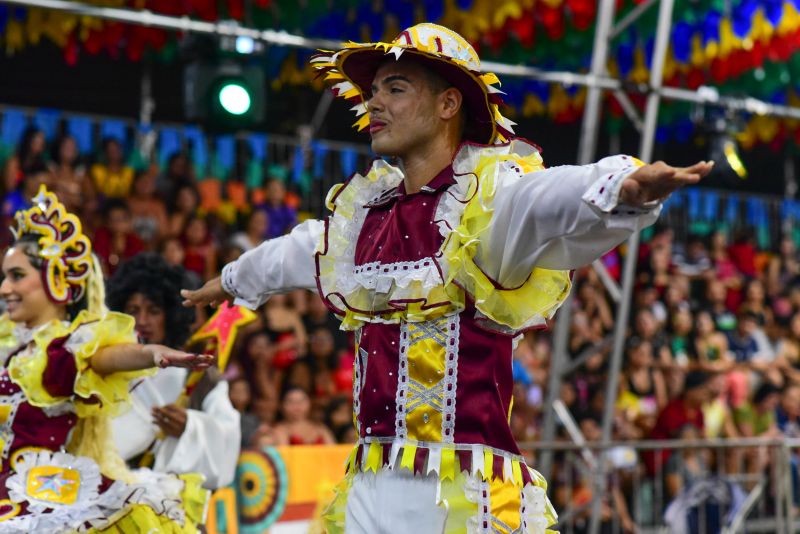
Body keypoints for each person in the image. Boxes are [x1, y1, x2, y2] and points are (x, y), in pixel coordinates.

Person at [182, 23, 712, 533]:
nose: (375, 102)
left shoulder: (487, 204)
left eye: (395, 87)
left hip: (461, 494)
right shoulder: (363, 218)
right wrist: (231, 281)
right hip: (368, 486)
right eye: (373, 90)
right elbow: (296, 252)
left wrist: (625, 184)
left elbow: (552, 197)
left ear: (448, 104)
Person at [0, 186, 211, 532]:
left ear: (56, 279)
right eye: (5, 276)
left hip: (39, 502)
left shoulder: (61, 351)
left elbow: (103, 358)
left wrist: (149, 353)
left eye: (17, 276)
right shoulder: (11, 347)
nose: (4, 289)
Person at [107, 253, 240, 490]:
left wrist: (190, 428)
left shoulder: (201, 377)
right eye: (133, 310)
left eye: (154, 311)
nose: (142, 320)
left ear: (170, 316)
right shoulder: (106, 370)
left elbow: (229, 441)